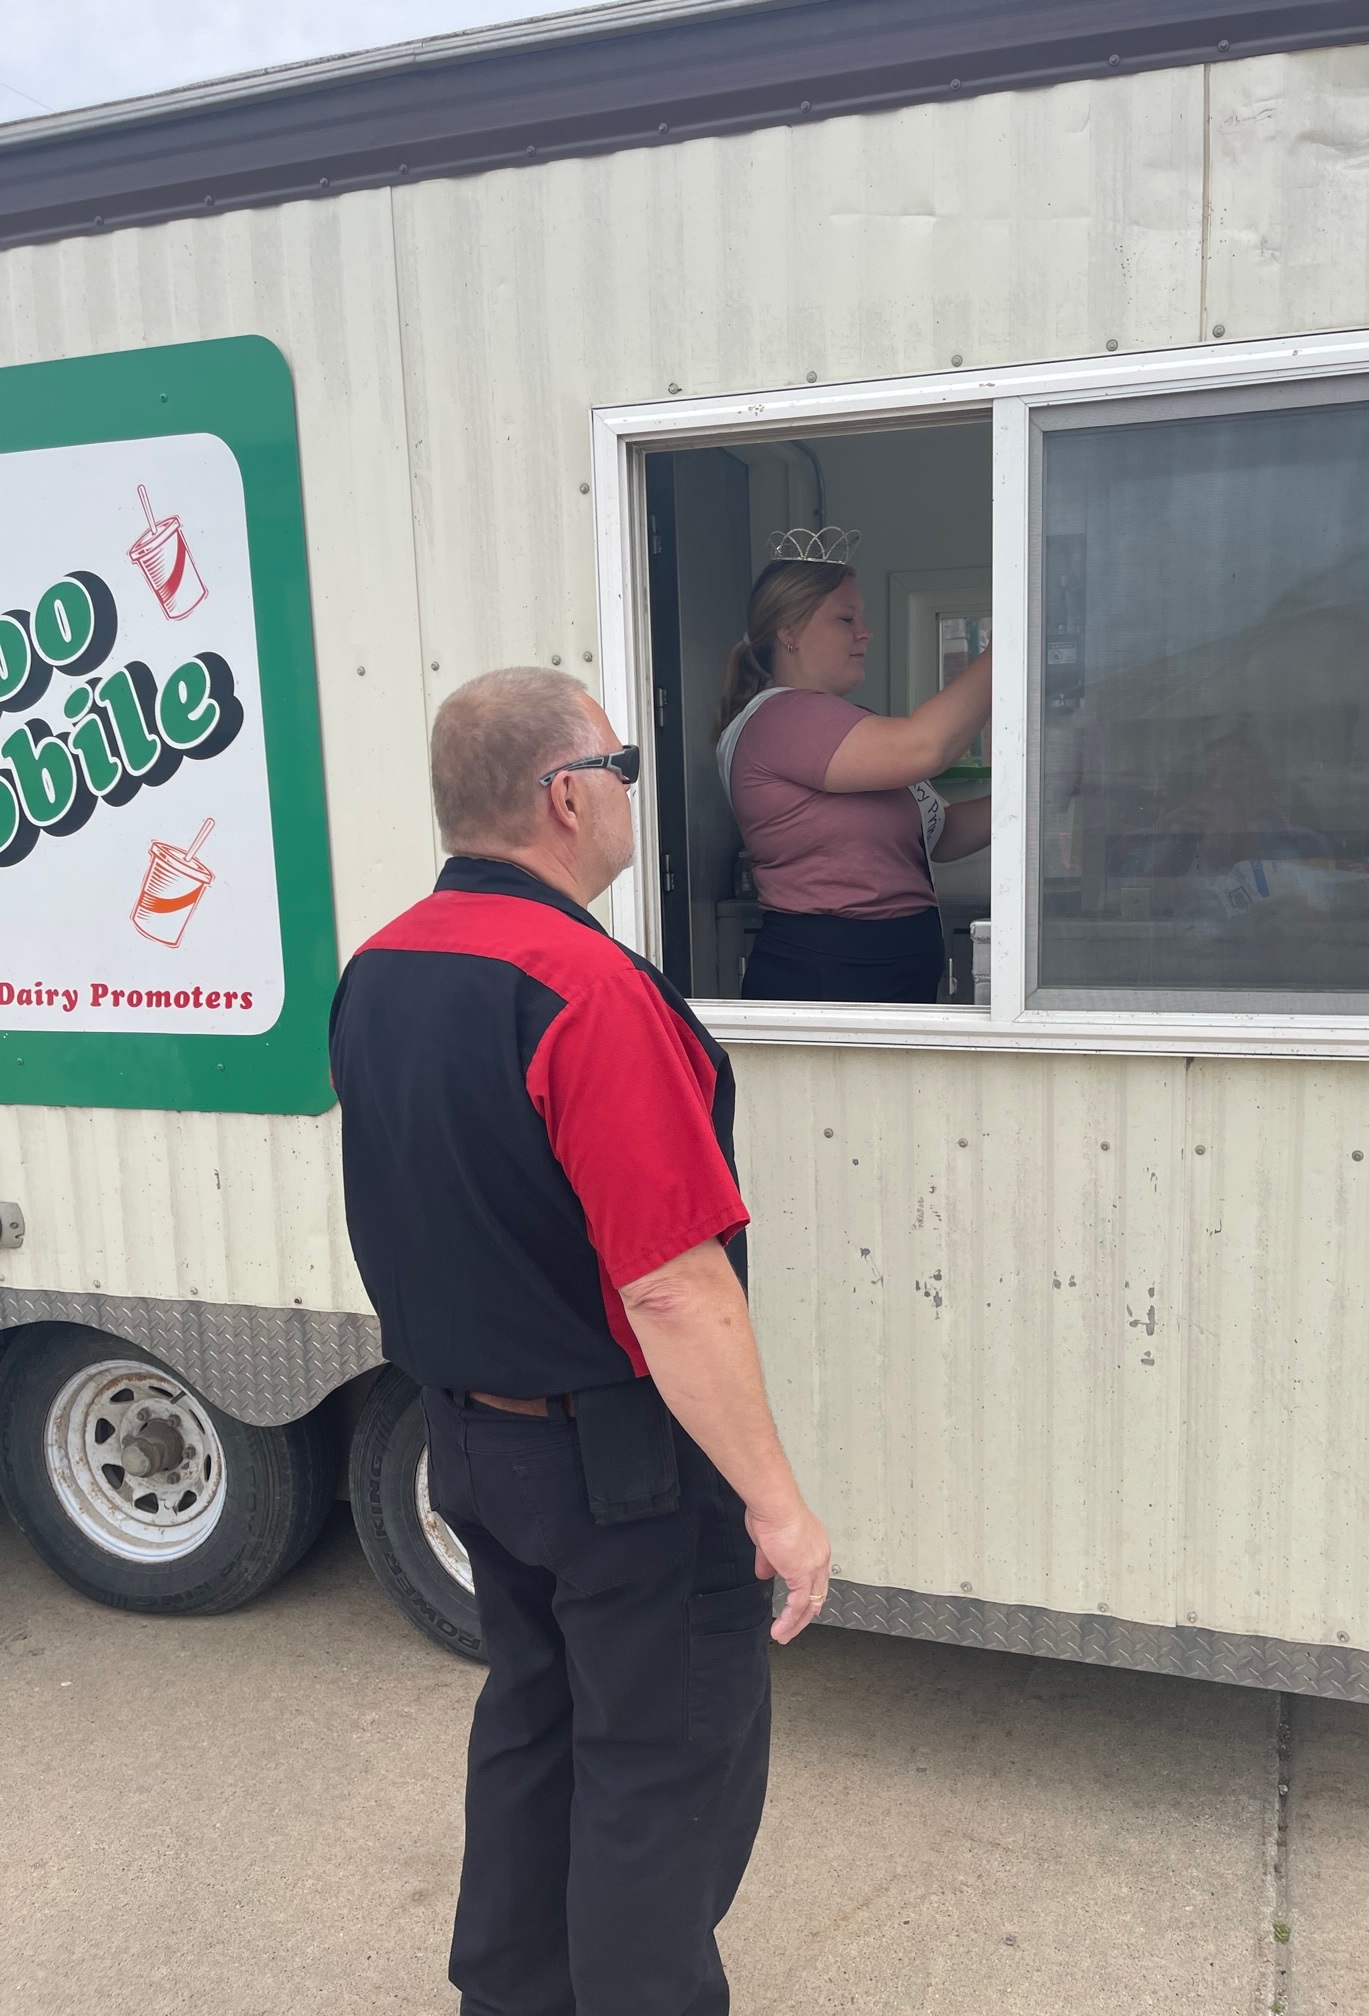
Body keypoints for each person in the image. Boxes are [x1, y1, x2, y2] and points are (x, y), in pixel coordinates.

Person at [329, 666, 830, 2016]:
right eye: (621, 766)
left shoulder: (381, 967)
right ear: (566, 797)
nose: (628, 794)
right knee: (657, 1779)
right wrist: (780, 1509)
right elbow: (674, 1289)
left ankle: (508, 1997)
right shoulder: (585, 991)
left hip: (474, 1442)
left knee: (535, 1728)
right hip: (624, 1475)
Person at [714, 532, 992, 1003]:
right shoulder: (783, 718)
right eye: (846, 619)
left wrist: (1033, 793)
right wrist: (1007, 648)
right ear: (788, 631)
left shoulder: (843, 728)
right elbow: (925, 747)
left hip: (886, 964)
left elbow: (942, 835)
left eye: (862, 619)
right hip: (831, 969)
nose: (865, 632)